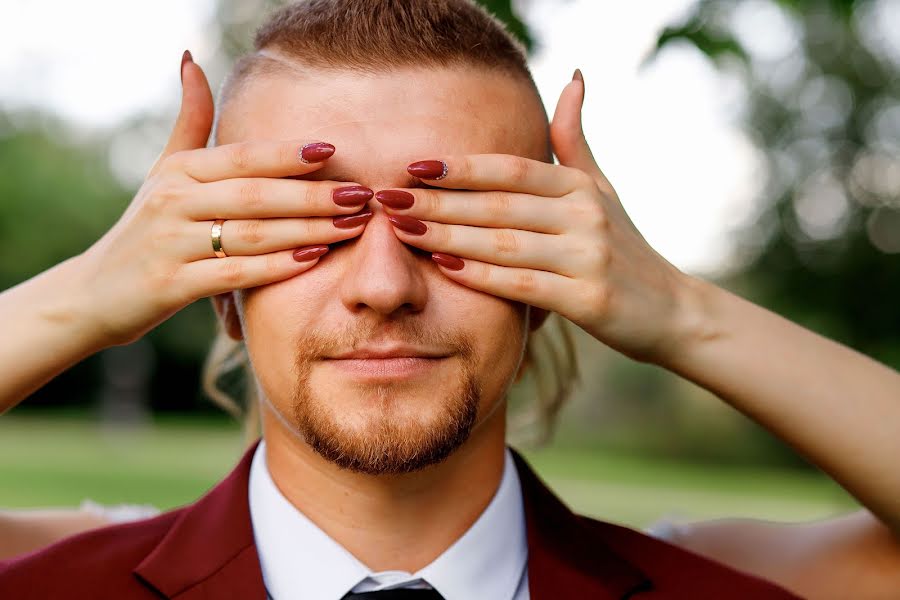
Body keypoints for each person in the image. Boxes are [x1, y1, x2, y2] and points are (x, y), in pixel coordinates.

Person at [1, 0, 899, 597]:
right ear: (220, 292)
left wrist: (678, 311)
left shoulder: (705, 584)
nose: (385, 286)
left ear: (553, 284)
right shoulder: (51, 580)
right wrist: (85, 294)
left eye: (459, 224)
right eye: (307, 219)